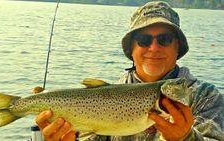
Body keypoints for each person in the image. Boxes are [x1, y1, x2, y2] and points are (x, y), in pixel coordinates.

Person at [34, 1, 224, 141]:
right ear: (131, 49)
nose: (154, 47)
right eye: (144, 39)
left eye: (164, 39)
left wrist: (187, 138)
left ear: (178, 47)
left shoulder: (205, 96)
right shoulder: (106, 97)